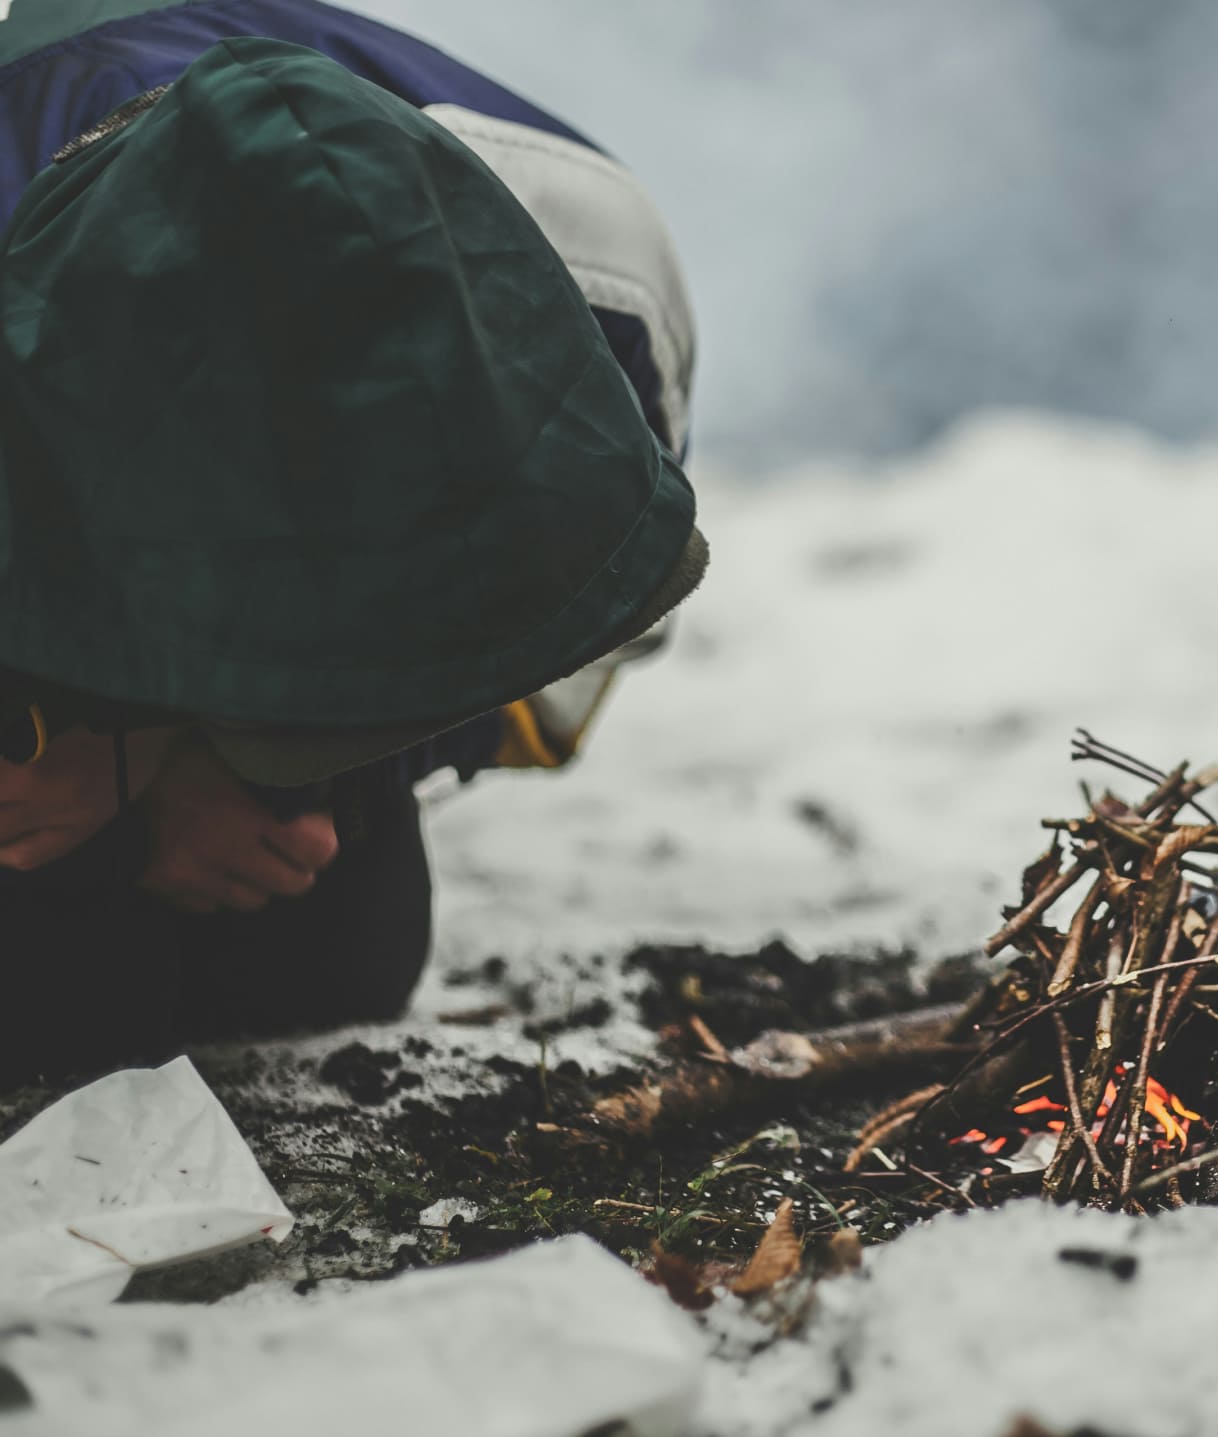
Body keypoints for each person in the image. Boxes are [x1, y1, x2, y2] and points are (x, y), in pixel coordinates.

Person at [0, 1, 705, 1085]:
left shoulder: (594, 274)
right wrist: (74, 730)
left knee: (325, 958)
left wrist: (268, 765)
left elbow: (572, 605)